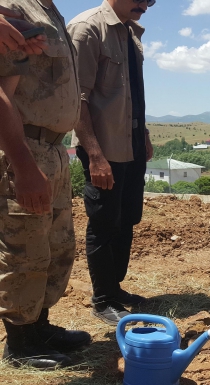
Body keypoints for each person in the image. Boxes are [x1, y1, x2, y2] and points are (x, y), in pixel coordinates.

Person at [0, 0, 90, 369]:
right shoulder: (11, 6)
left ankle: (40, 328)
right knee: (25, 249)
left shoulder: (49, 11)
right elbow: (2, 90)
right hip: (27, 149)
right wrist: (21, 163)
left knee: (55, 247)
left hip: (54, 149)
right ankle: (20, 344)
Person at [67, 0, 155, 326]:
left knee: (127, 218)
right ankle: (103, 300)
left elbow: (132, 93)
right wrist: (94, 154)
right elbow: (77, 99)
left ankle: (115, 289)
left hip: (130, 145)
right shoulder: (87, 28)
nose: (146, 5)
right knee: (104, 224)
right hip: (103, 150)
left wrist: (142, 133)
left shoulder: (130, 33)